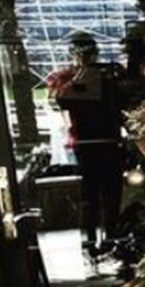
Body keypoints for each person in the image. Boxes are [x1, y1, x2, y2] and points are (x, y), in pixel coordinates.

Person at [49, 31, 124, 266]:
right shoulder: (69, 78)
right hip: (90, 142)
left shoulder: (107, 75)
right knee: (93, 198)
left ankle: (107, 243)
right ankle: (92, 246)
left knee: (107, 198)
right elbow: (62, 101)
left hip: (103, 141)